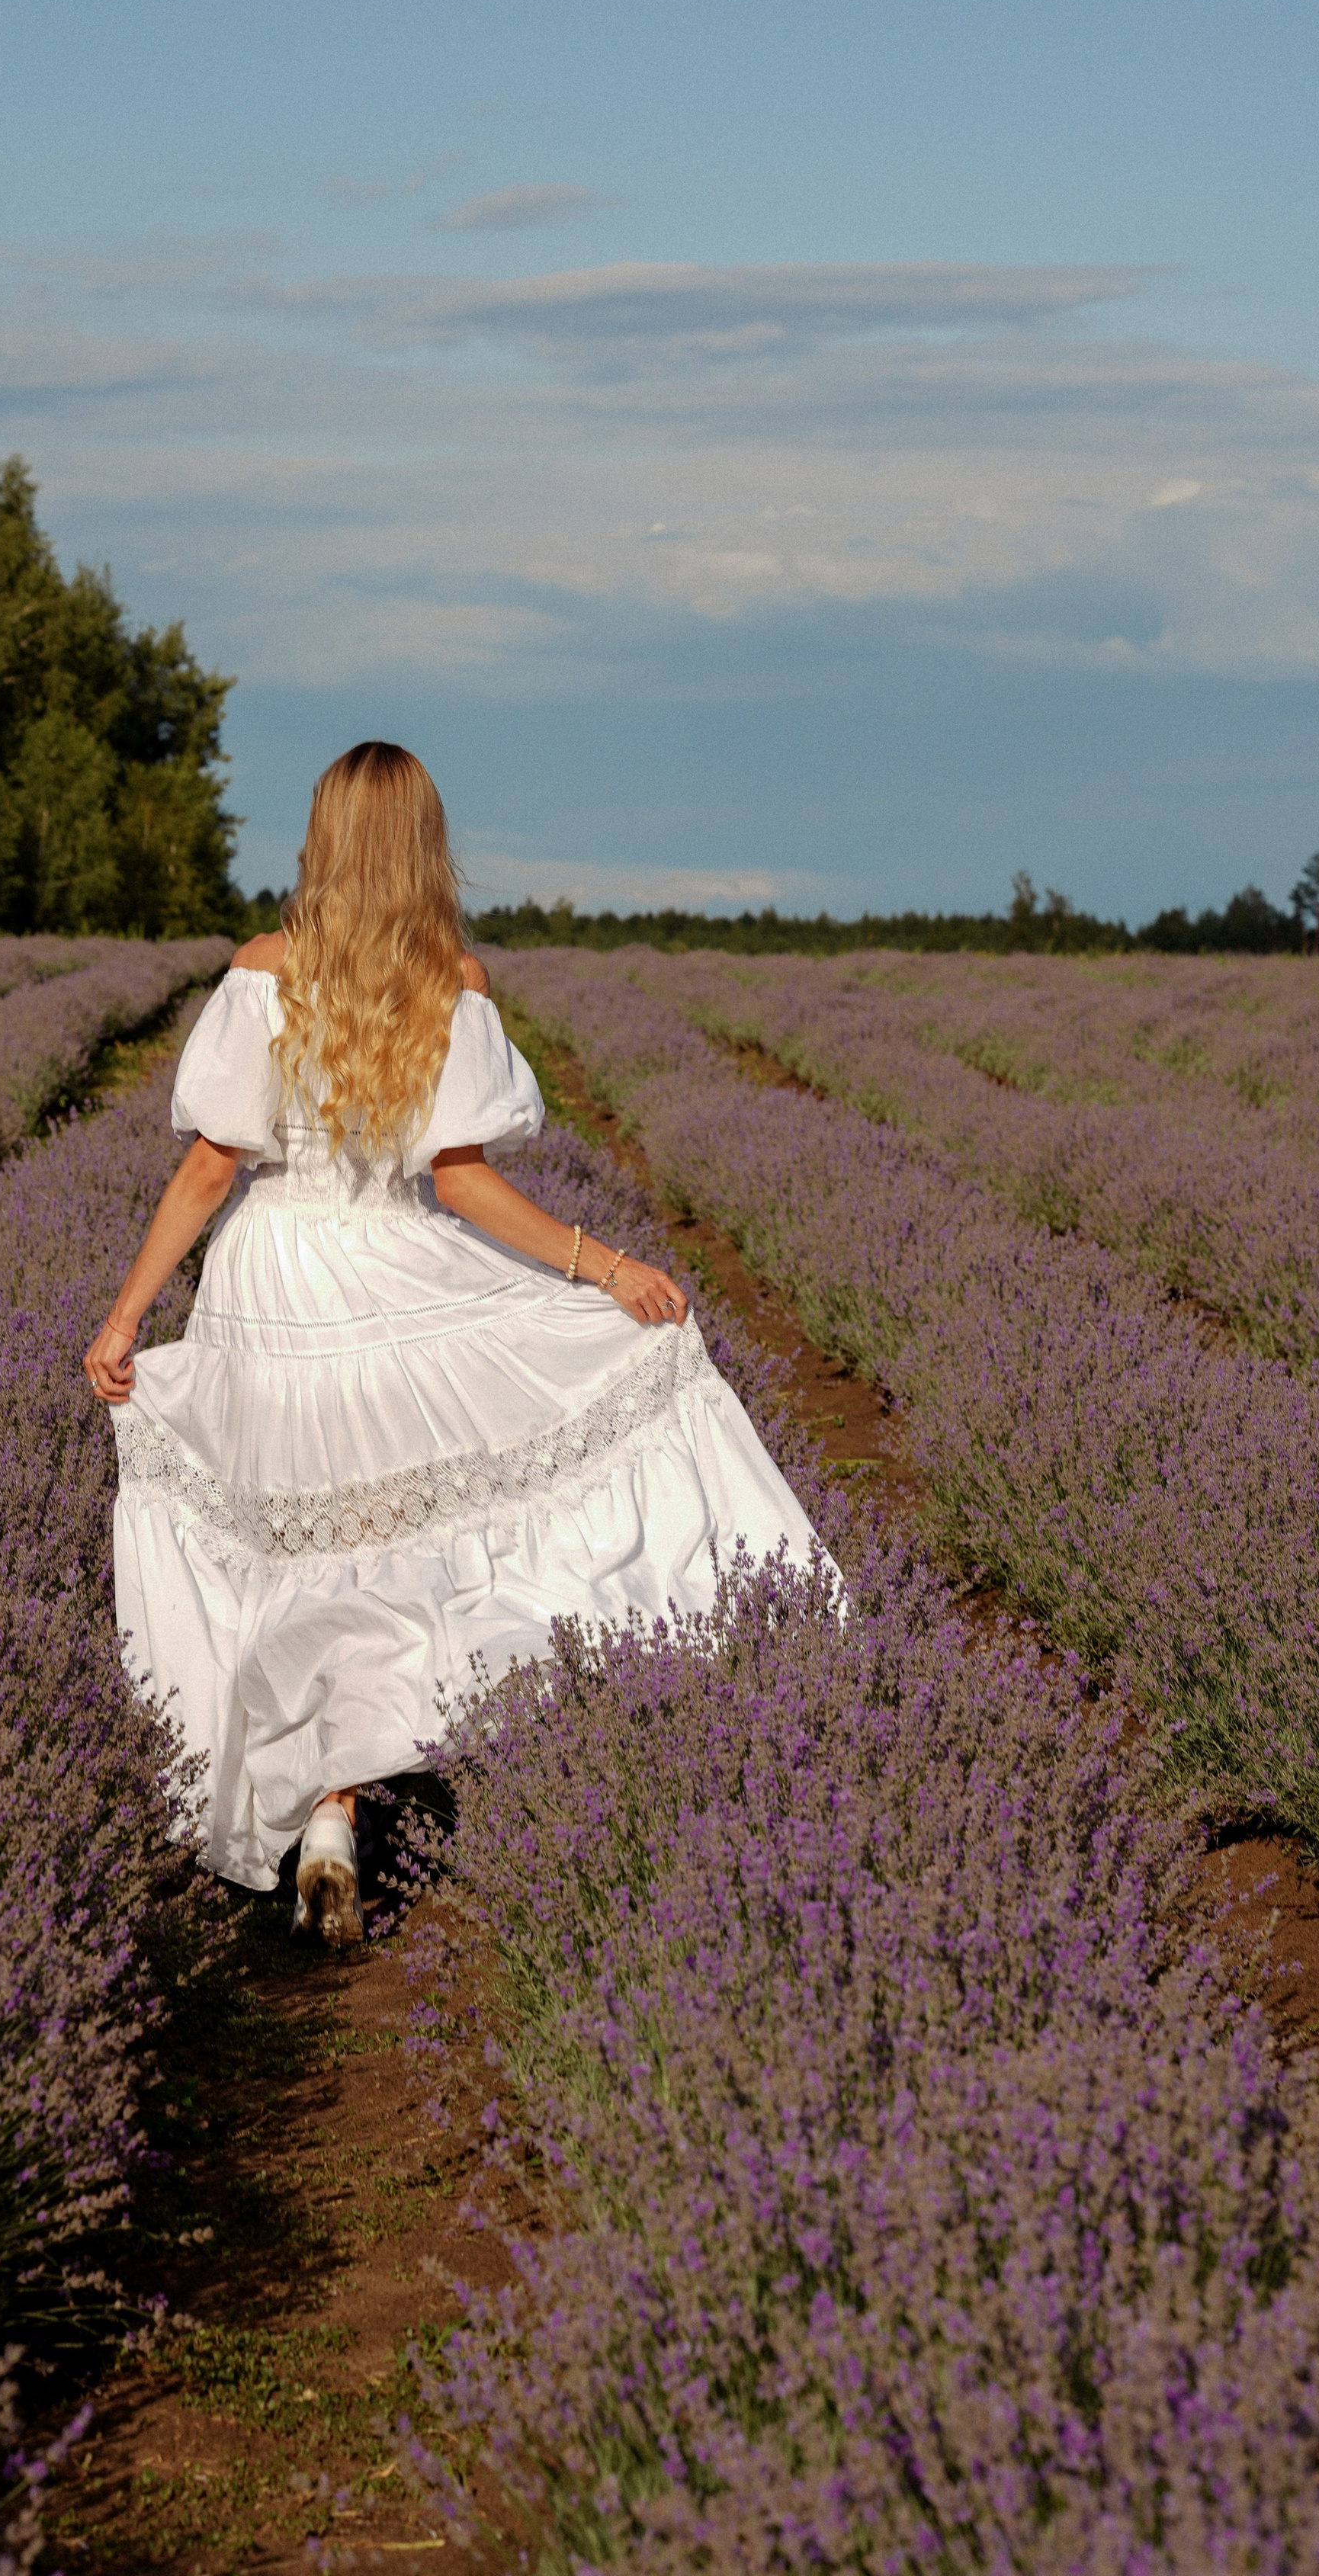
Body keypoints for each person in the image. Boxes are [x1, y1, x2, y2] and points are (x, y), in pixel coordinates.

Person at [84, 740, 823, 1944]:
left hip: (273, 1278)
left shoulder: (260, 972)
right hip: (392, 1266)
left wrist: (126, 1318)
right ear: (426, 846)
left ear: (322, 839)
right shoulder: (450, 980)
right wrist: (607, 1266)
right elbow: (462, 1182)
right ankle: (339, 1799)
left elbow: (212, 1167)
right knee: (387, 1537)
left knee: (292, 1540)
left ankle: (319, 1810)